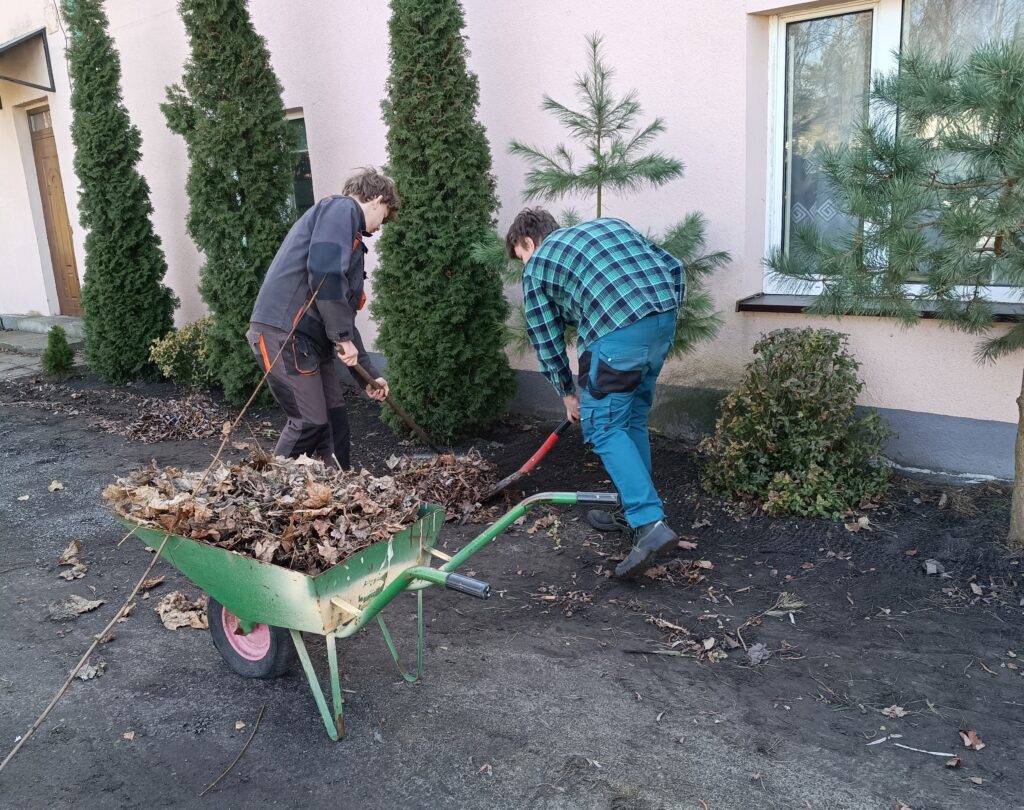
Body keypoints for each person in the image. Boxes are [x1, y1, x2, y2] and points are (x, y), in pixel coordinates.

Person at [505, 208, 684, 578]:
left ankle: (649, 524)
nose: (524, 264)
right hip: (662, 320)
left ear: (527, 242)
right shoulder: (611, 225)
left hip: (617, 335)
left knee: (603, 428)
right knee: (631, 417)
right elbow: (674, 266)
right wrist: (663, 319)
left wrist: (568, 393)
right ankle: (632, 512)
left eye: (520, 255)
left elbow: (545, 337)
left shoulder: (538, 265)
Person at [247, 167, 399, 470]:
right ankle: (265, 488)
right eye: (385, 215)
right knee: (309, 421)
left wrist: (367, 375)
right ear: (377, 199)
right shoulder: (340, 208)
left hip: (311, 341)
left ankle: (339, 492)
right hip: (285, 333)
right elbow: (325, 270)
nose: (380, 227)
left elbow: (341, 311)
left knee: (333, 419)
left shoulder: (348, 234)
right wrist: (341, 338)